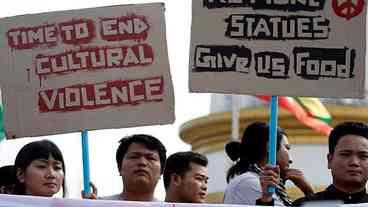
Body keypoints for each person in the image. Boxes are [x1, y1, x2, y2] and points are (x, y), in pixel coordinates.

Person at [223, 122, 313, 206]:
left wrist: (308, 192)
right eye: (287, 148)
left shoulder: (257, 180)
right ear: (270, 147)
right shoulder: (250, 182)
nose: (291, 160)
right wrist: (310, 193)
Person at [290, 122, 368, 206]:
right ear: (330, 160)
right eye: (346, 154)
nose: (354, 162)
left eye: (363, 156)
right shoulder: (303, 205)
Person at [102, 134, 166, 201]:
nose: (142, 162)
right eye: (134, 157)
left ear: (161, 171)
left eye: (151, 158)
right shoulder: (97, 204)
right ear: (119, 167)